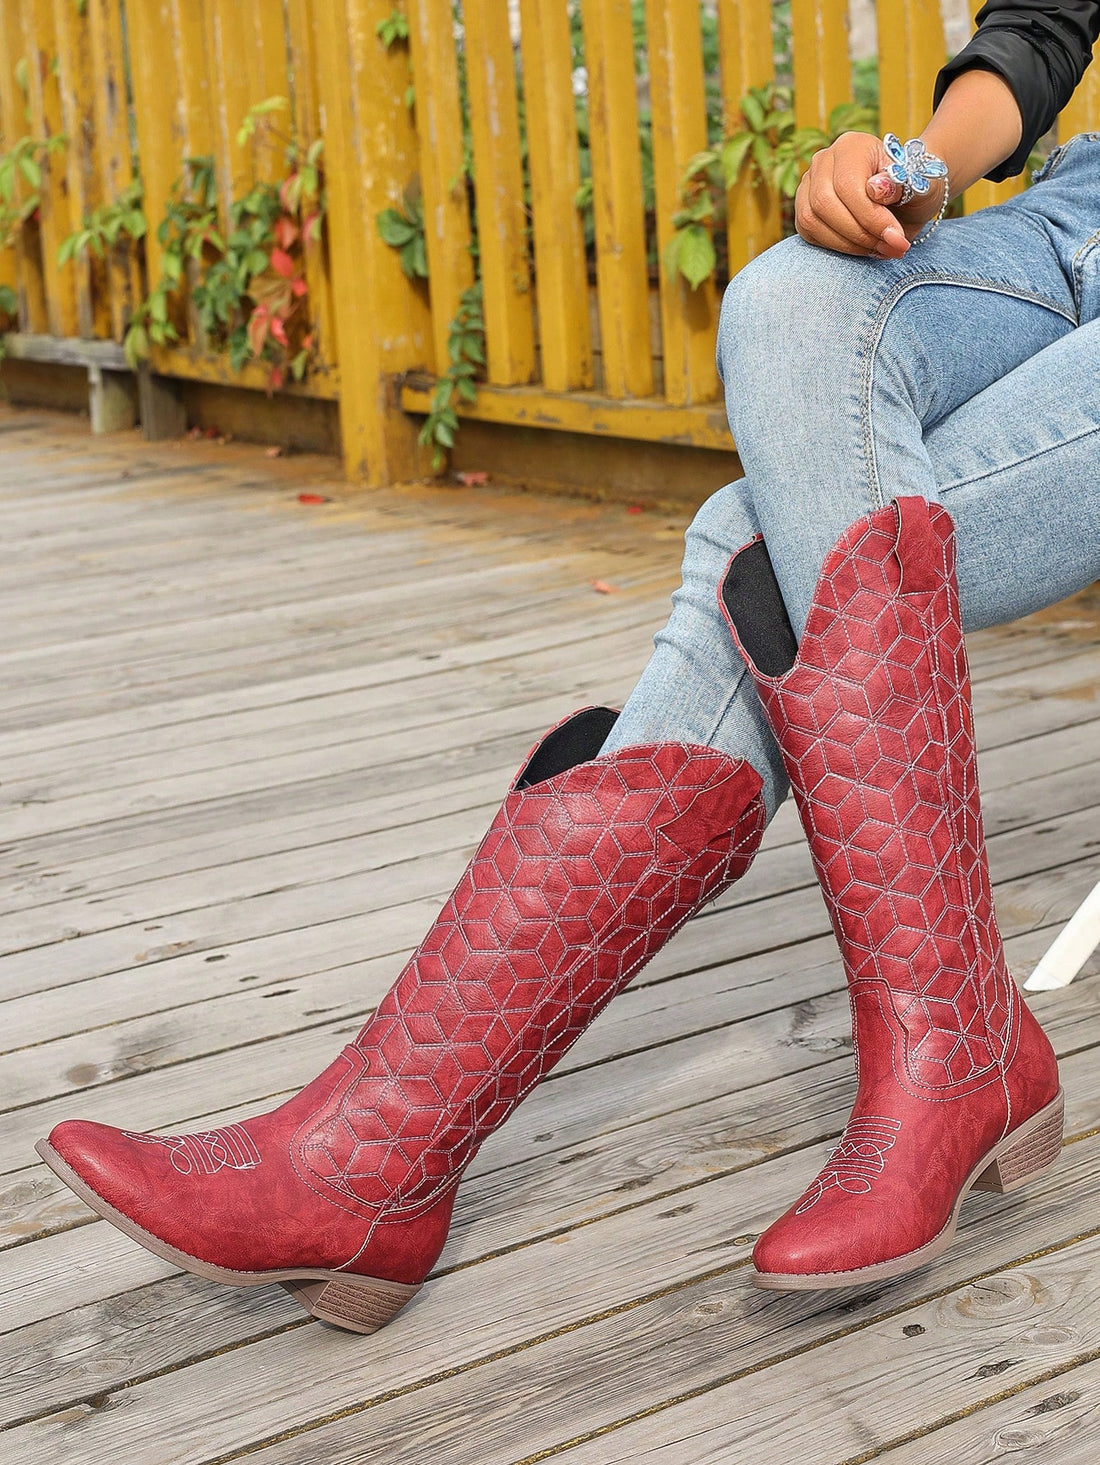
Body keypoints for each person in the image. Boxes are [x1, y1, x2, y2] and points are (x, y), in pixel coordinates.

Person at [38, 2, 1100, 1331]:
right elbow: (1045, 26)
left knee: (749, 547)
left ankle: (376, 1156)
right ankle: (964, 1048)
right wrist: (920, 166)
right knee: (788, 302)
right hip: (1072, 219)